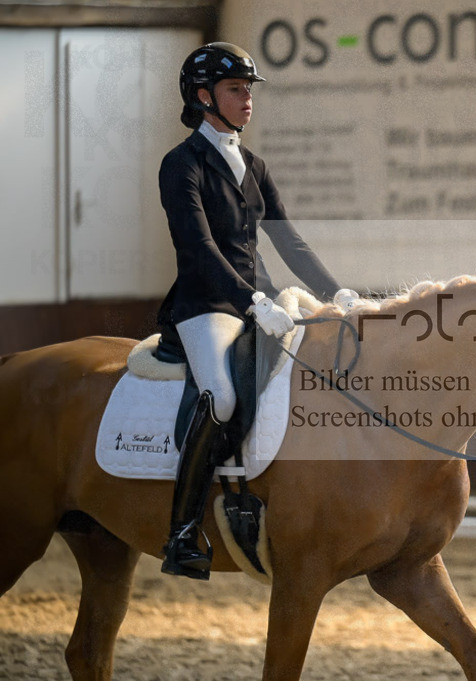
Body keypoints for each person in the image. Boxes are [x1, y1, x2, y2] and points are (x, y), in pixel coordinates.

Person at [156, 42, 355, 579]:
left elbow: (290, 243)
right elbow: (198, 248)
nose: (248, 100)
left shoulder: (253, 163)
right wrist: (251, 302)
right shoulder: (181, 164)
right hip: (206, 305)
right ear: (203, 97)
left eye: (249, 90)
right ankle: (182, 533)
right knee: (219, 394)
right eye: (235, 90)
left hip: (261, 300)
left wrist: (340, 295)